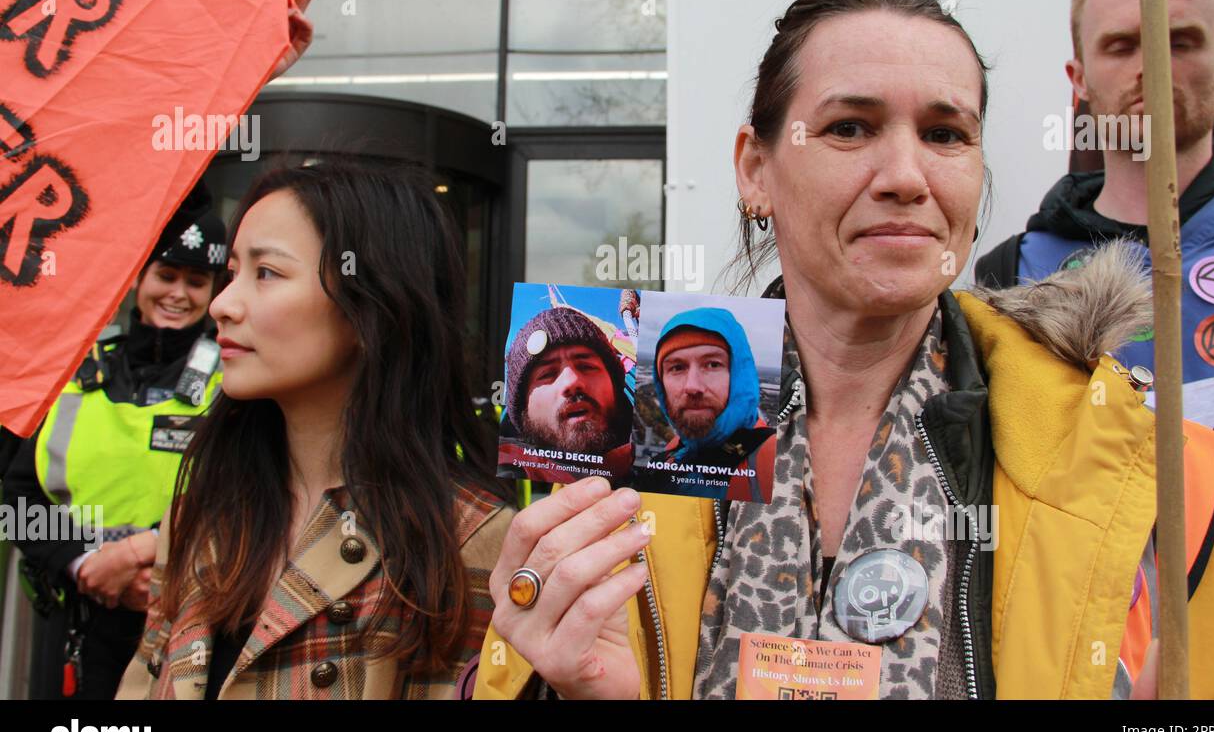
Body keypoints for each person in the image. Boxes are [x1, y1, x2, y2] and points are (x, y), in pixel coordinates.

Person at [474, 0, 1214, 700]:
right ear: (756, 170)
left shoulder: (1124, 461)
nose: (905, 177)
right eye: (850, 128)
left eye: (945, 134)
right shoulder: (628, 461)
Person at [975, 0, 1214, 698]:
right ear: (1078, 77)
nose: (1152, 63)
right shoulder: (1014, 285)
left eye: (1180, 38)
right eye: (1122, 44)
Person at [116, 157, 513, 699]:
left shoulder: (468, 540)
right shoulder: (200, 515)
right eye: (232, 273)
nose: (222, 304)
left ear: (371, 307)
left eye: (267, 273)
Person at [2, 196, 226, 700]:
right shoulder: (74, 371)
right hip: (73, 625)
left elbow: (245, 499)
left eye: (196, 282)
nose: (179, 294)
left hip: (184, 630)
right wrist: (85, 562)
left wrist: (142, 563)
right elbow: (17, 501)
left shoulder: (233, 383)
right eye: (166, 275)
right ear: (137, 277)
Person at [647, 308, 776, 502]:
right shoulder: (674, 452)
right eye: (677, 367)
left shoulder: (773, 459)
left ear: (740, 374)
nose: (692, 386)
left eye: (712, 365)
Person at [498, 306, 635, 484]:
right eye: (547, 374)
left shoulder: (667, 460)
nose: (571, 382)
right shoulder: (501, 481)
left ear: (615, 383)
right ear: (522, 406)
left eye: (587, 366)